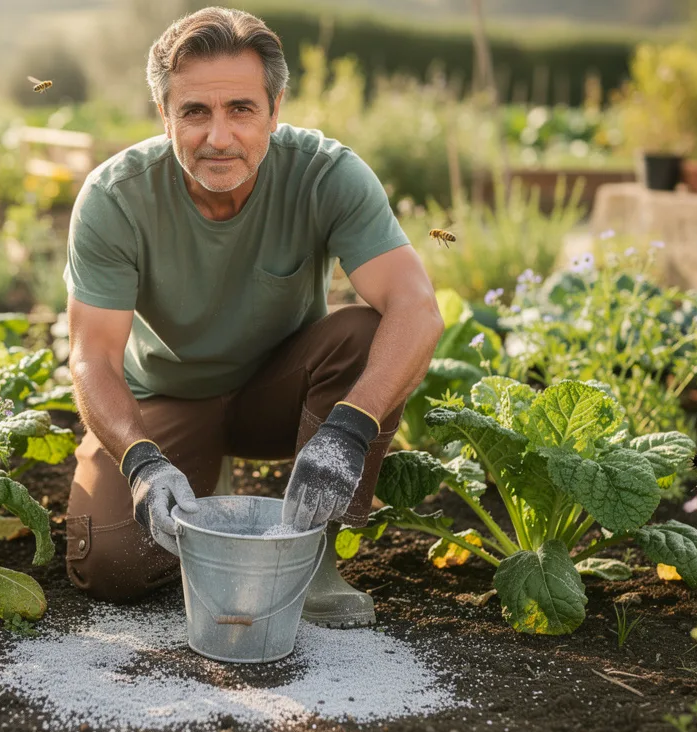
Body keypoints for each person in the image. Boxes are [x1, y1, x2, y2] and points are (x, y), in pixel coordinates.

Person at [62, 6, 444, 628]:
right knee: (113, 564)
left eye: (241, 109)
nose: (219, 137)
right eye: (195, 112)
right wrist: (142, 462)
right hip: (165, 399)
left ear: (275, 108)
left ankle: (313, 561)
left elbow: (417, 309)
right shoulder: (116, 198)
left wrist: (350, 428)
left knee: (366, 331)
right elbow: (93, 355)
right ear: (165, 115)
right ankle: (193, 484)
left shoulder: (326, 174)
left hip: (279, 393)